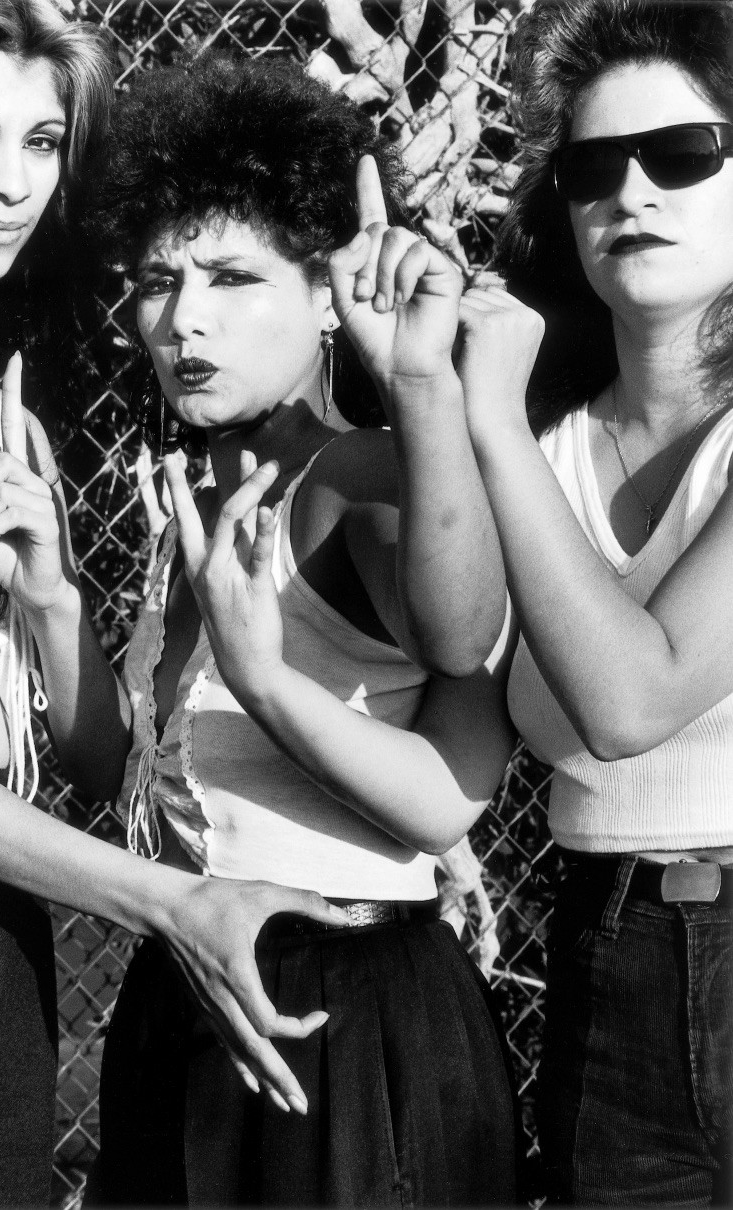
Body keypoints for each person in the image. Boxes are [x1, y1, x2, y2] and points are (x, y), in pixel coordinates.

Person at [79, 52, 518, 1206]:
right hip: (186, 990)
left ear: (325, 293)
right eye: (159, 280)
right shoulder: (200, 501)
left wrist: (421, 388)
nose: (185, 320)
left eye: (233, 277)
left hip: (346, 1012)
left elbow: (463, 633)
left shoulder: (361, 475)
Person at [0, 5, 353, 1203]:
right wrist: (173, 900)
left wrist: (58, 602)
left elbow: (69, 761)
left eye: (44, 140)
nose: (9, 182)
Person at [455, 0, 733, 1203]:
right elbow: (455, 717)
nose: (634, 192)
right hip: (600, 955)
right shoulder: (542, 449)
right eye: (591, 167)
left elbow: (633, 699)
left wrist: (485, 422)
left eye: (681, 156)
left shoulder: (512, 447)